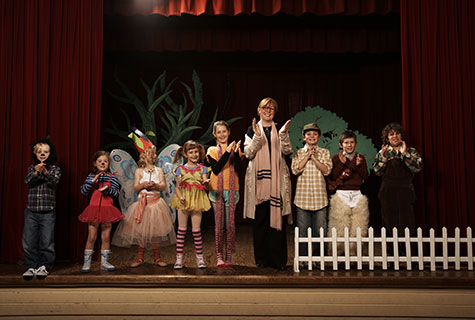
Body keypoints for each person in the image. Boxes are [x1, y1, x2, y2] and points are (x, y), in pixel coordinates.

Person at [112, 129, 176, 267]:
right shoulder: (139, 171)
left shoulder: (158, 170)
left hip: (156, 204)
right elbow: (135, 188)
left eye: (154, 153)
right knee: (141, 233)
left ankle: (157, 257)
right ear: (144, 155)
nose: (154, 155)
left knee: (155, 233)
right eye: (152, 153)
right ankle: (140, 258)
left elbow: (163, 186)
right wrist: (143, 184)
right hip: (143, 204)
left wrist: (156, 185)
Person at [243, 97, 292, 270]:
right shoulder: (252, 129)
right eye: (265, 108)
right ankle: (262, 260)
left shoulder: (280, 128)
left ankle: (278, 261)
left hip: (277, 183)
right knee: (261, 223)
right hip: (259, 185)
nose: (268, 110)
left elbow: (287, 150)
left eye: (272, 108)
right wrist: (257, 137)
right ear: (259, 110)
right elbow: (248, 153)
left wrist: (284, 135)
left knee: (277, 224)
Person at [373, 123, 422, 238]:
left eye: (397, 133)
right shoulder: (382, 152)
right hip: (387, 193)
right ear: (387, 138)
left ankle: (408, 252)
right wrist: (384, 158)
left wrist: (405, 155)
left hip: (405, 192)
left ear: (401, 136)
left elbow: (418, 168)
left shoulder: (411, 151)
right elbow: (377, 171)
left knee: (407, 223)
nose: (395, 136)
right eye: (391, 134)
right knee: (389, 223)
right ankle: (391, 252)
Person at [291, 123, 332, 260]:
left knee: (320, 231)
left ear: (319, 137)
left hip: (320, 198)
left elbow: (326, 171)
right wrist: (307, 156)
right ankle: (303, 259)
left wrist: (314, 158)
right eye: (309, 134)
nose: (312, 136)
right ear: (304, 137)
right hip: (303, 198)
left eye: (315, 134)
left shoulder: (325, 152)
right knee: (303, 231)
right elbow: (295, 169)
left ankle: (319, 259)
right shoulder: (298, 153)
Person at [79, 150, 124, 273]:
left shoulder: (113, 177)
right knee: (92, 236)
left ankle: (104, 262)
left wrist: (107, 190)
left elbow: (116, 193)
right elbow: (83, 191)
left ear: (109, 163)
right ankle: (86, 262)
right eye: (100, 161)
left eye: (105, 161)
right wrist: (92, 182)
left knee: (105, 237)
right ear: (95, 163)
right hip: (93, 210)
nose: (103, 163)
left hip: (107, 210)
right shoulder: (91, 176)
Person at [22, 139, 61, 280]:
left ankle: (44, 266)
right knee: (28, 241)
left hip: (47, 212)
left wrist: (44, 172)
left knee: (47, 241)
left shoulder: (55, 169)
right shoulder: (32, 168)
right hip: (31, 211)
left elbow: (54, 182)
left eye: (45, 152)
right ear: (35, 154)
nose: (42, 154)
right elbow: (28, 181)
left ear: (50, 154)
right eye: (39, 152)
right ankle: (31, 266)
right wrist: (37, 173)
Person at [206, 121, 243, 267]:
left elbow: (239, 168)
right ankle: (219, 256)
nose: (222, 134)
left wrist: (237, 152)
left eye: (224, 131)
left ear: (229, 132)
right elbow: (216, 169)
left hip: (232, 190)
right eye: (219, 132)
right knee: (219, 224)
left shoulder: (236, 150)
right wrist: (228, 151)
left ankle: (229, 256)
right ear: (214, 134)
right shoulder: (211, 150)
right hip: (217, 190)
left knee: (229, 225)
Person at [170, 140, 211, 269]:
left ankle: (200, 258)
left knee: (196, 231)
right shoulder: (180, 169)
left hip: (197, 200)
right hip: (184, 201)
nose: (194, 155)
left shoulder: (203, 168)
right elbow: (177, 187)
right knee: (181, 231)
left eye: (196, 152)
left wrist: (207, 183)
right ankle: (179, 259)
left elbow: (205, 182)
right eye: (191, 152)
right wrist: (181, 196)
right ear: (186, 154)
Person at [327, 131, 369, 255]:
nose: (349, 145)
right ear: (341, 145)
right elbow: (333, 176)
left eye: (351, 142)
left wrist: (358, 166)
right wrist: (343, 164)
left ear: (355, 144)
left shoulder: (360, 158)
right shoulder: (336, 158)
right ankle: (339, 253)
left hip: (357, 193)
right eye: (346, 143)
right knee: (340, 225)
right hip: (341, 194)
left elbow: (365, 176)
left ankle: (354, 253)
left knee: (358, 226)